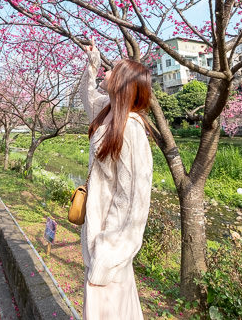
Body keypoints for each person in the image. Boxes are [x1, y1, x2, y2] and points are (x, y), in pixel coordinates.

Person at [79, 40, 153, 320]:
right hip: (98, 237)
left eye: (112, 70)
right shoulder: (107, 110)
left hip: (110, 249)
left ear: (123, 83)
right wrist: (92, 62)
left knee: (110, 311)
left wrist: (108, 250)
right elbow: (87, 96)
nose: (106, 73)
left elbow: (135, 198)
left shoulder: (131, 128)